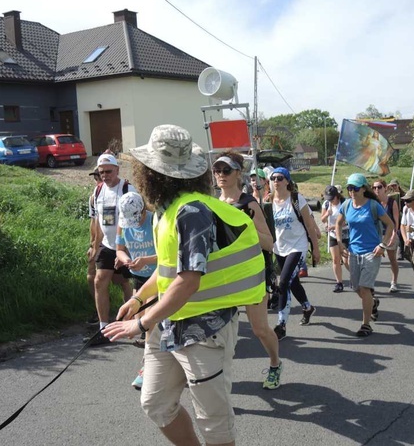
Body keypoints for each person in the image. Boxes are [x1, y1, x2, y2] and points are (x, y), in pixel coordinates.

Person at [103, 124, 265, 446]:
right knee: (156, 403)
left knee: (213, 422)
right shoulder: (167, 210)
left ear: (152, 173)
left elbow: (188, 280)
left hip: (205, 331)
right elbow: (167, 271)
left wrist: (142, 321)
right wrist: (138, 299)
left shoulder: (191, 212)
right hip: (169, 323)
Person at [213, 152, 283, 390]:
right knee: (219, 331)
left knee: (259, 329)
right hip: (224, 275)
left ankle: (275, 363)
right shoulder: (213, 204)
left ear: (238, 174)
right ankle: (218, 381)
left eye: (226, 170)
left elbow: (268, 242)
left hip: (252, 274)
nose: (221, 175)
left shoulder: (248, 203)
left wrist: (245, 224)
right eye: (217, 170)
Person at [335, 173, 394, 336]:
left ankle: (366, 325)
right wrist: (340, 242)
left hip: (372, 252)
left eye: (355, 188)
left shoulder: (373, 206)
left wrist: (383, 245)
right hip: (353, 251)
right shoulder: (346, 205)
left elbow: (390, 225)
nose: (351, 191)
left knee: (365, 287)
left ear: (363, 189)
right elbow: (338, 223)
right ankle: (373, 303)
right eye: (349, 188)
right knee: (356, 288)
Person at [270, 166, 320, 341]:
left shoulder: (297, 199)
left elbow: (309, 224)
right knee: (293, 282)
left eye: (280, 178)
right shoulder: (269, 201)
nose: (276, 181)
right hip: (279, 248)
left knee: (283, 282)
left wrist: (315, 248)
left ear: (287, 181)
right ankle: (307, 307)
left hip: (298, 246)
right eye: (273, 178)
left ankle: (281, 325)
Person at [91, 153, 134, 344]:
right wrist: (94, 245)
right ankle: (103, 328)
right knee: (100, 281)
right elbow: (97, 221)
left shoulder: (128, 189)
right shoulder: (97, 191)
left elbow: (137, 220)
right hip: (108, 245)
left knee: (127, 283)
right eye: (101, 173)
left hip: (128, 245)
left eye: (108, 171)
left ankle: (131, 323)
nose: (105, 175)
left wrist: (123, 250)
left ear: (117, 169)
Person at [115, 191, 157, 388]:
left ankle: (146, 369)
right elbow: (120, 249)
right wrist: (126, 261)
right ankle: (162, 364)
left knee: (148, 323)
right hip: (138, 278)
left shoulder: (155, 220)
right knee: (136, 322)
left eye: (136, 218)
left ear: (142, 210)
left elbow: (169, 254)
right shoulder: (123, 225)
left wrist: (146, 260)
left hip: (157, 277)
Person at [372, 179, 400, 293]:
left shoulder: (392, 202)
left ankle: (394, 282)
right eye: (374, 188)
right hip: (377, 234)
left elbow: (396, 221)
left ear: (385, 188)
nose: (376, 190)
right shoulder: (373, 202)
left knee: (392, 259)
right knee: (373, 259)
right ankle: (370, 284)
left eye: (379, 187)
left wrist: (393, 235)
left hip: (390, 233)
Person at [321, 185, 349, 293]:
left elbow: (349, 220)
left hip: (345, 233)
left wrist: (336, 226)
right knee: (335, 259)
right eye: (328, 198)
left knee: (346, 260)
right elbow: (323, 219)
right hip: (333, 235)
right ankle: (339, 283)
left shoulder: (345, 203)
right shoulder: (327, 204)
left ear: (337, 196)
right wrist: (327, 214)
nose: (330, 201)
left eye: (332, 198)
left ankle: (355, 278)